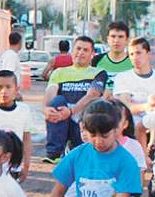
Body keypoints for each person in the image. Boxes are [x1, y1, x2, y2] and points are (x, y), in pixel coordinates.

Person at [43, 36, 107, 164]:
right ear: (72, 51)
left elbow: (93, 94)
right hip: (62, 119)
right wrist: (46, 109)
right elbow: (50, 92)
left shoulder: (99, 72)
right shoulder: (59, 72)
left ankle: (79, 148)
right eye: (78, 48)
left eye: (85, 50)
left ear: (92, 54)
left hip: (85, 122)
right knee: (56, 101)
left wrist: (71, 111)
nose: (81, 52)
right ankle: (54, 152)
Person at [110, 99, 147, 197]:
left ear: (125, 124)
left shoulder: (133, 145)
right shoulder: (96, 145)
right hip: (104, 189)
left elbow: (140, 171)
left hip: (127, 189)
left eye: (117, 119)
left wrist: (137, 191)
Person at [113, 37, 155, 125]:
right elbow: (126, 106)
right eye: (131, 54)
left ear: (148, 54)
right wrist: (147, 106)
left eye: (138, 53)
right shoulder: (122, 78)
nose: (135, 57)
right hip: (131, 129)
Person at [91, 22, 132, 93]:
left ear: (127, 40)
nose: (116, 40)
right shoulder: (96, 60)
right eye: (113, 36)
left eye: (120, 37)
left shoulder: (133, 62)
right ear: (108, 39)